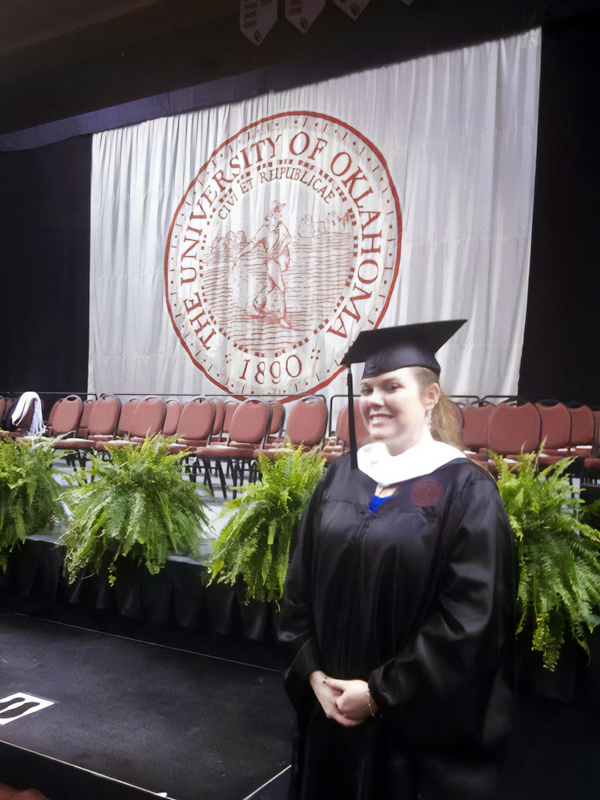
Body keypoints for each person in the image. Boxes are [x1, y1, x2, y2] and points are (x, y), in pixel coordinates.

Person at [278, 320, 516, 800]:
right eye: (367, 388)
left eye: (391, 386)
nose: (373, 400)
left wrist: (381, 694)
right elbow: (298, 581)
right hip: (332, 713)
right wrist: (312, 673)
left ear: (430, 397)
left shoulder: (465, 490)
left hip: (410, 735)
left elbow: (473, 618)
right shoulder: (341, 477)